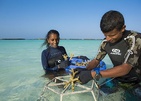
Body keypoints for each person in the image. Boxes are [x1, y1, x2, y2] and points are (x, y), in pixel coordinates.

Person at [75, 10, 141, 99]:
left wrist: (93, 74)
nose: (108, 39)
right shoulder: (105, 42)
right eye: (105, 35)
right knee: (100, 95)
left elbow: (125, 68)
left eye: (112, 35)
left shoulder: (135, 39)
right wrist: (85, 70)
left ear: (123, 28)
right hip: (117, 78)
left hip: (137, 81)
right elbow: (96, 60)